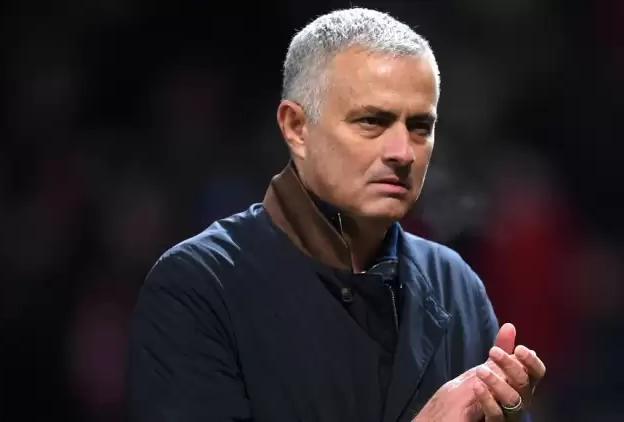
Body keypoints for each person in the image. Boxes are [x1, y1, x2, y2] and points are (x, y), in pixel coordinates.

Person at [126, 7, 546, 422]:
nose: (403, 152)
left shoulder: (455, 286)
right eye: (372, 121)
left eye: (420, 127)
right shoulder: (197, 288)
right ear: (296, 127)